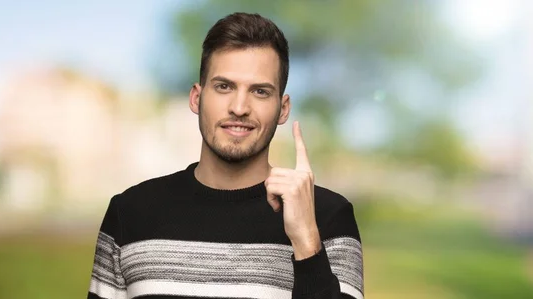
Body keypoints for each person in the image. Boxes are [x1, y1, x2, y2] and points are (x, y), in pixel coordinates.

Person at [87, 12, 364, 299]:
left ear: (283, 109)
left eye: (259, 91)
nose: (240, 107)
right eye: (224, 87)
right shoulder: (130, 212)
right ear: (197, 97)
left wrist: (307, 242)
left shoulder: (329, 218)